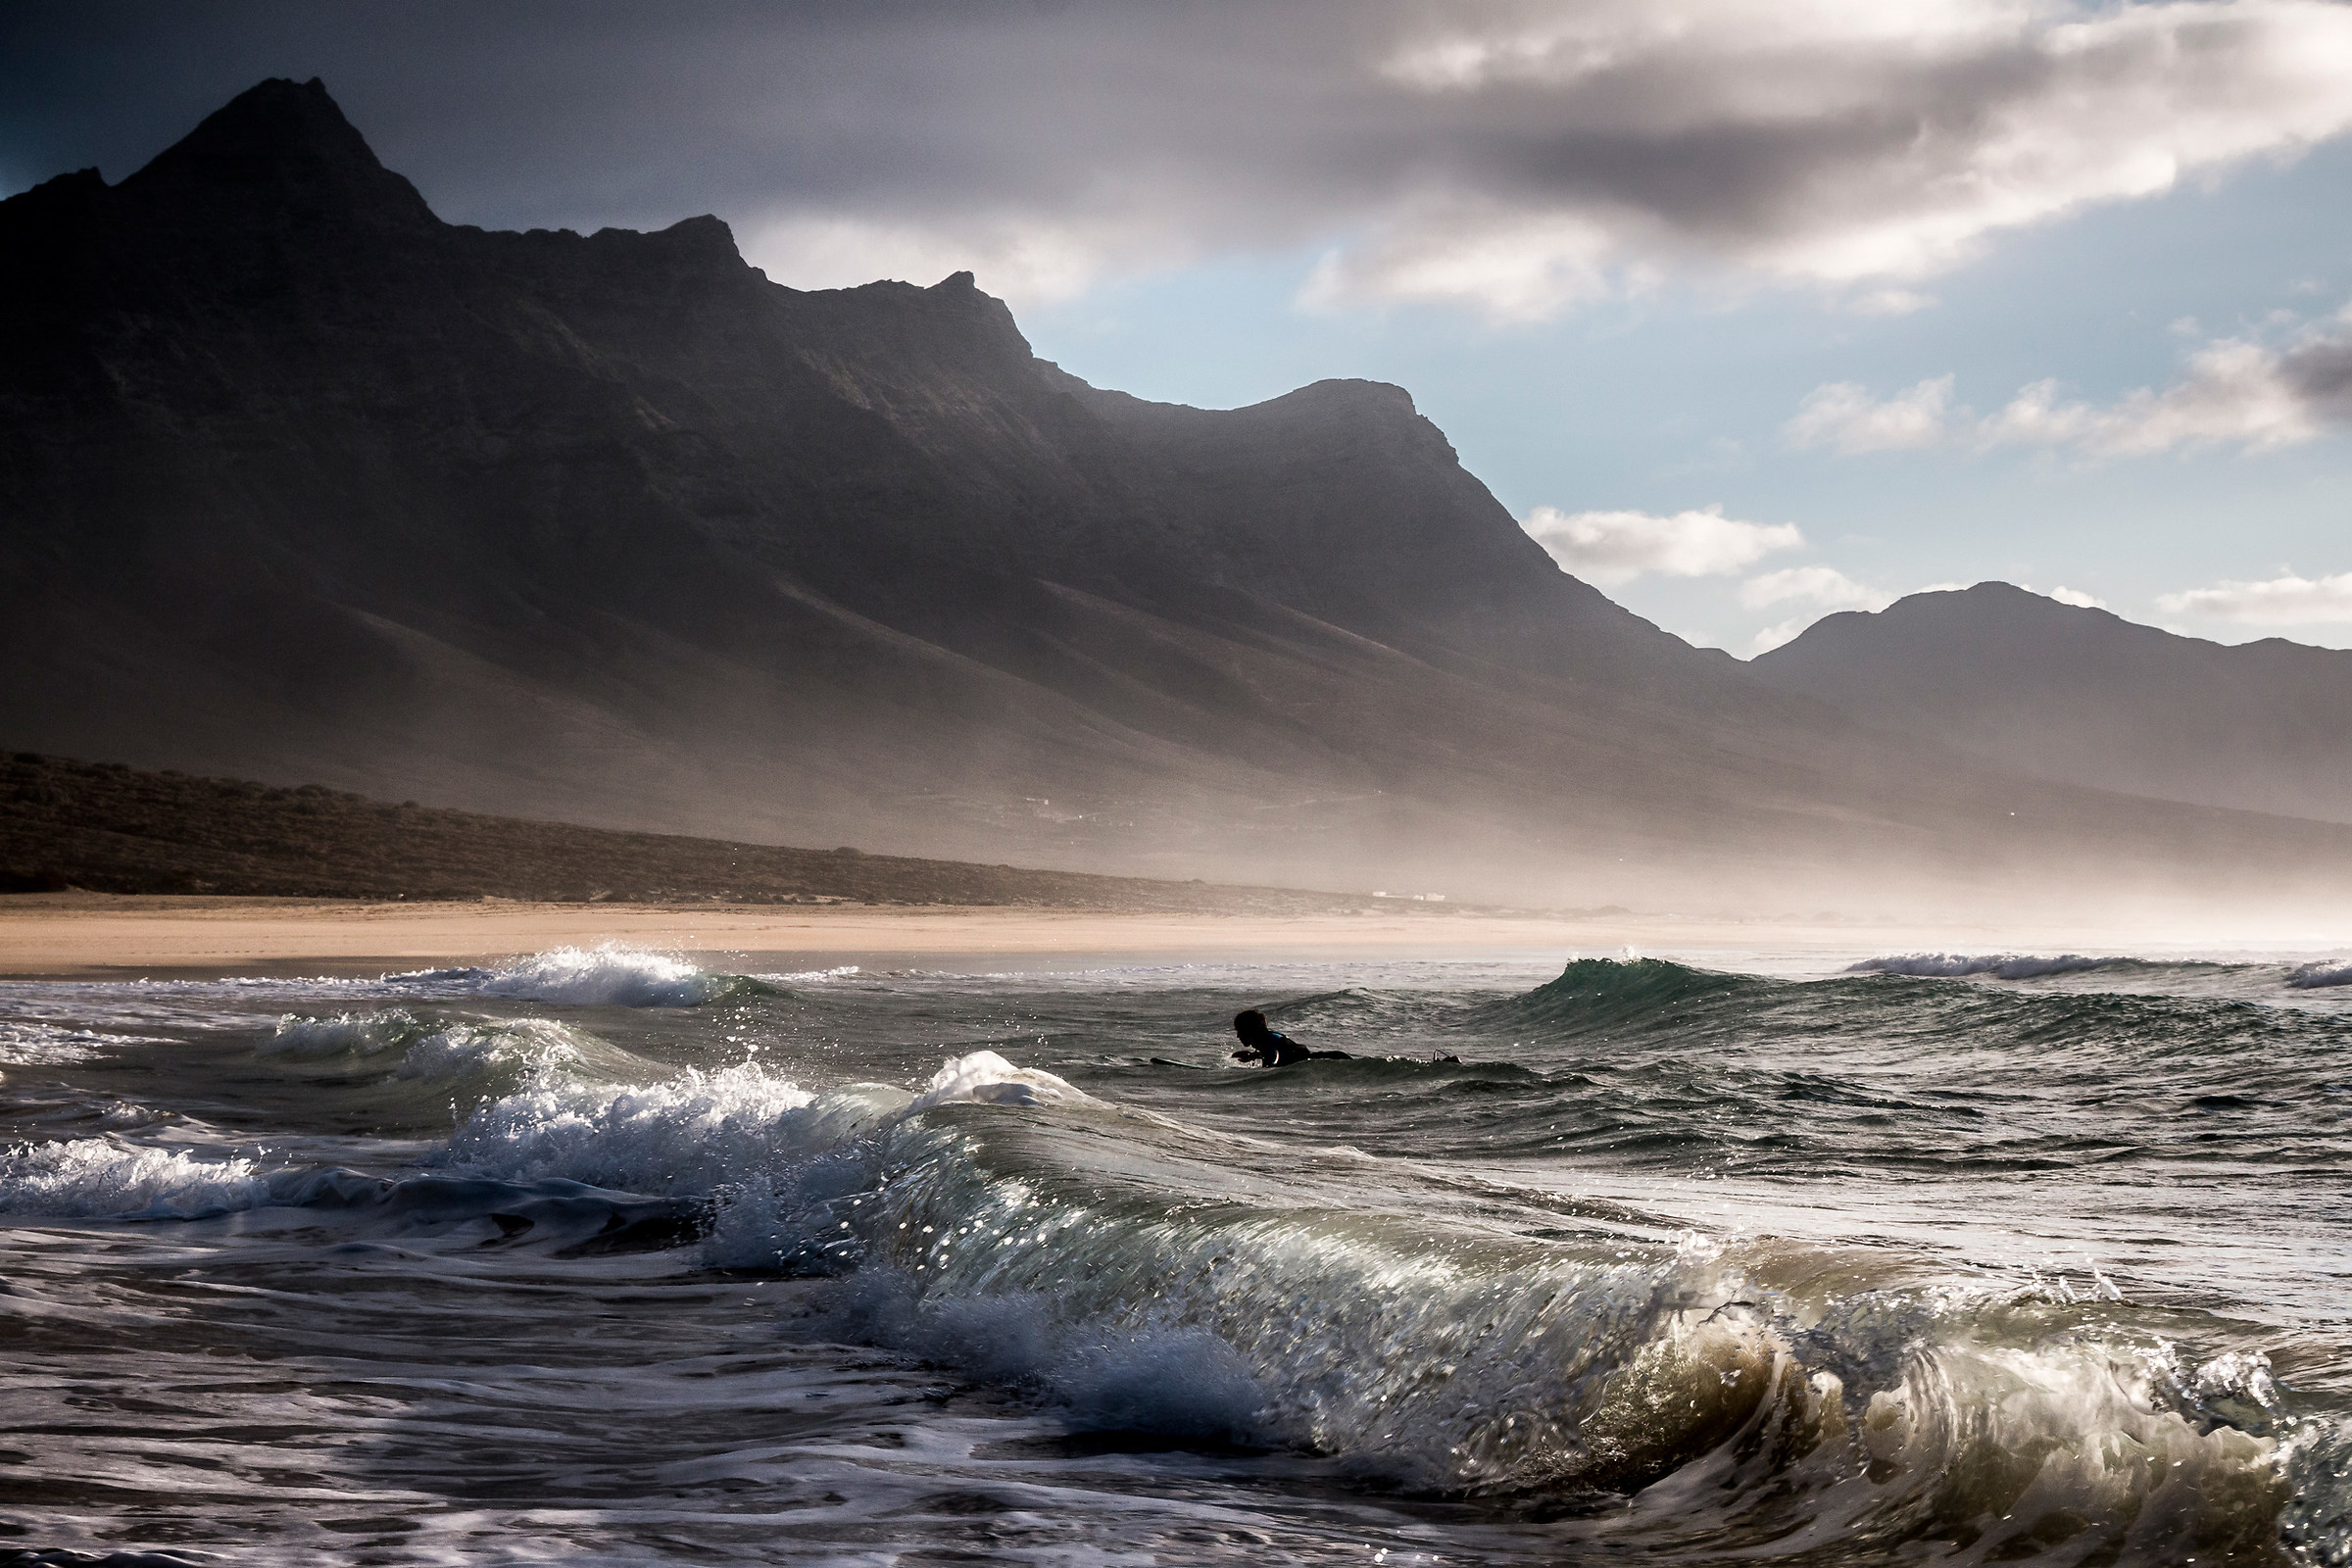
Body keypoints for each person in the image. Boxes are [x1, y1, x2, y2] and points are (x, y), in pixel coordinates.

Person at [1230, 1008, 1349, 1066]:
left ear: (1251, 1030)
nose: (1238, 1035)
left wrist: (1265, 1074)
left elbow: (1273, 1058)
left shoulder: (1268, 1040)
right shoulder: (1267, 1039)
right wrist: (1253, 1056)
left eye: (1240, 1030)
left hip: (1331, 1059)